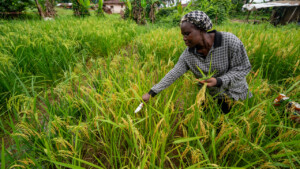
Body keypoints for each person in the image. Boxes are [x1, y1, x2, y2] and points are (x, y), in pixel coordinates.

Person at [142, 11, 252, 113]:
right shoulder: (188, 55)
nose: (184, 38)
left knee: (228, 128)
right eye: (183, 35)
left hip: (233, 95)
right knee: (206, 127)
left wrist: (219, 81)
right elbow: (174, 73)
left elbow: (243, 68)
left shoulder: (228, 41)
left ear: (201, 29)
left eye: (187, 33)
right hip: (208, 97)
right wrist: (152, 93)